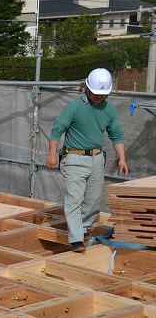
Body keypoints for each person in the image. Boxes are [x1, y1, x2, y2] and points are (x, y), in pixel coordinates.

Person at [47, 67, 128, 252]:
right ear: (87, 89)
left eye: (103, 94)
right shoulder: (74, 107)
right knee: (74, 199)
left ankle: (83, 229)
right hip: (74, 158)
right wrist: (52, 153)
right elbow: (57, 130)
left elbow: (117, 135)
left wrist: (122, 159)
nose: (99, 97)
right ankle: (75, 239)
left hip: (97, 158)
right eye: (96, 94)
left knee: (93, 200)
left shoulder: (109, 110)